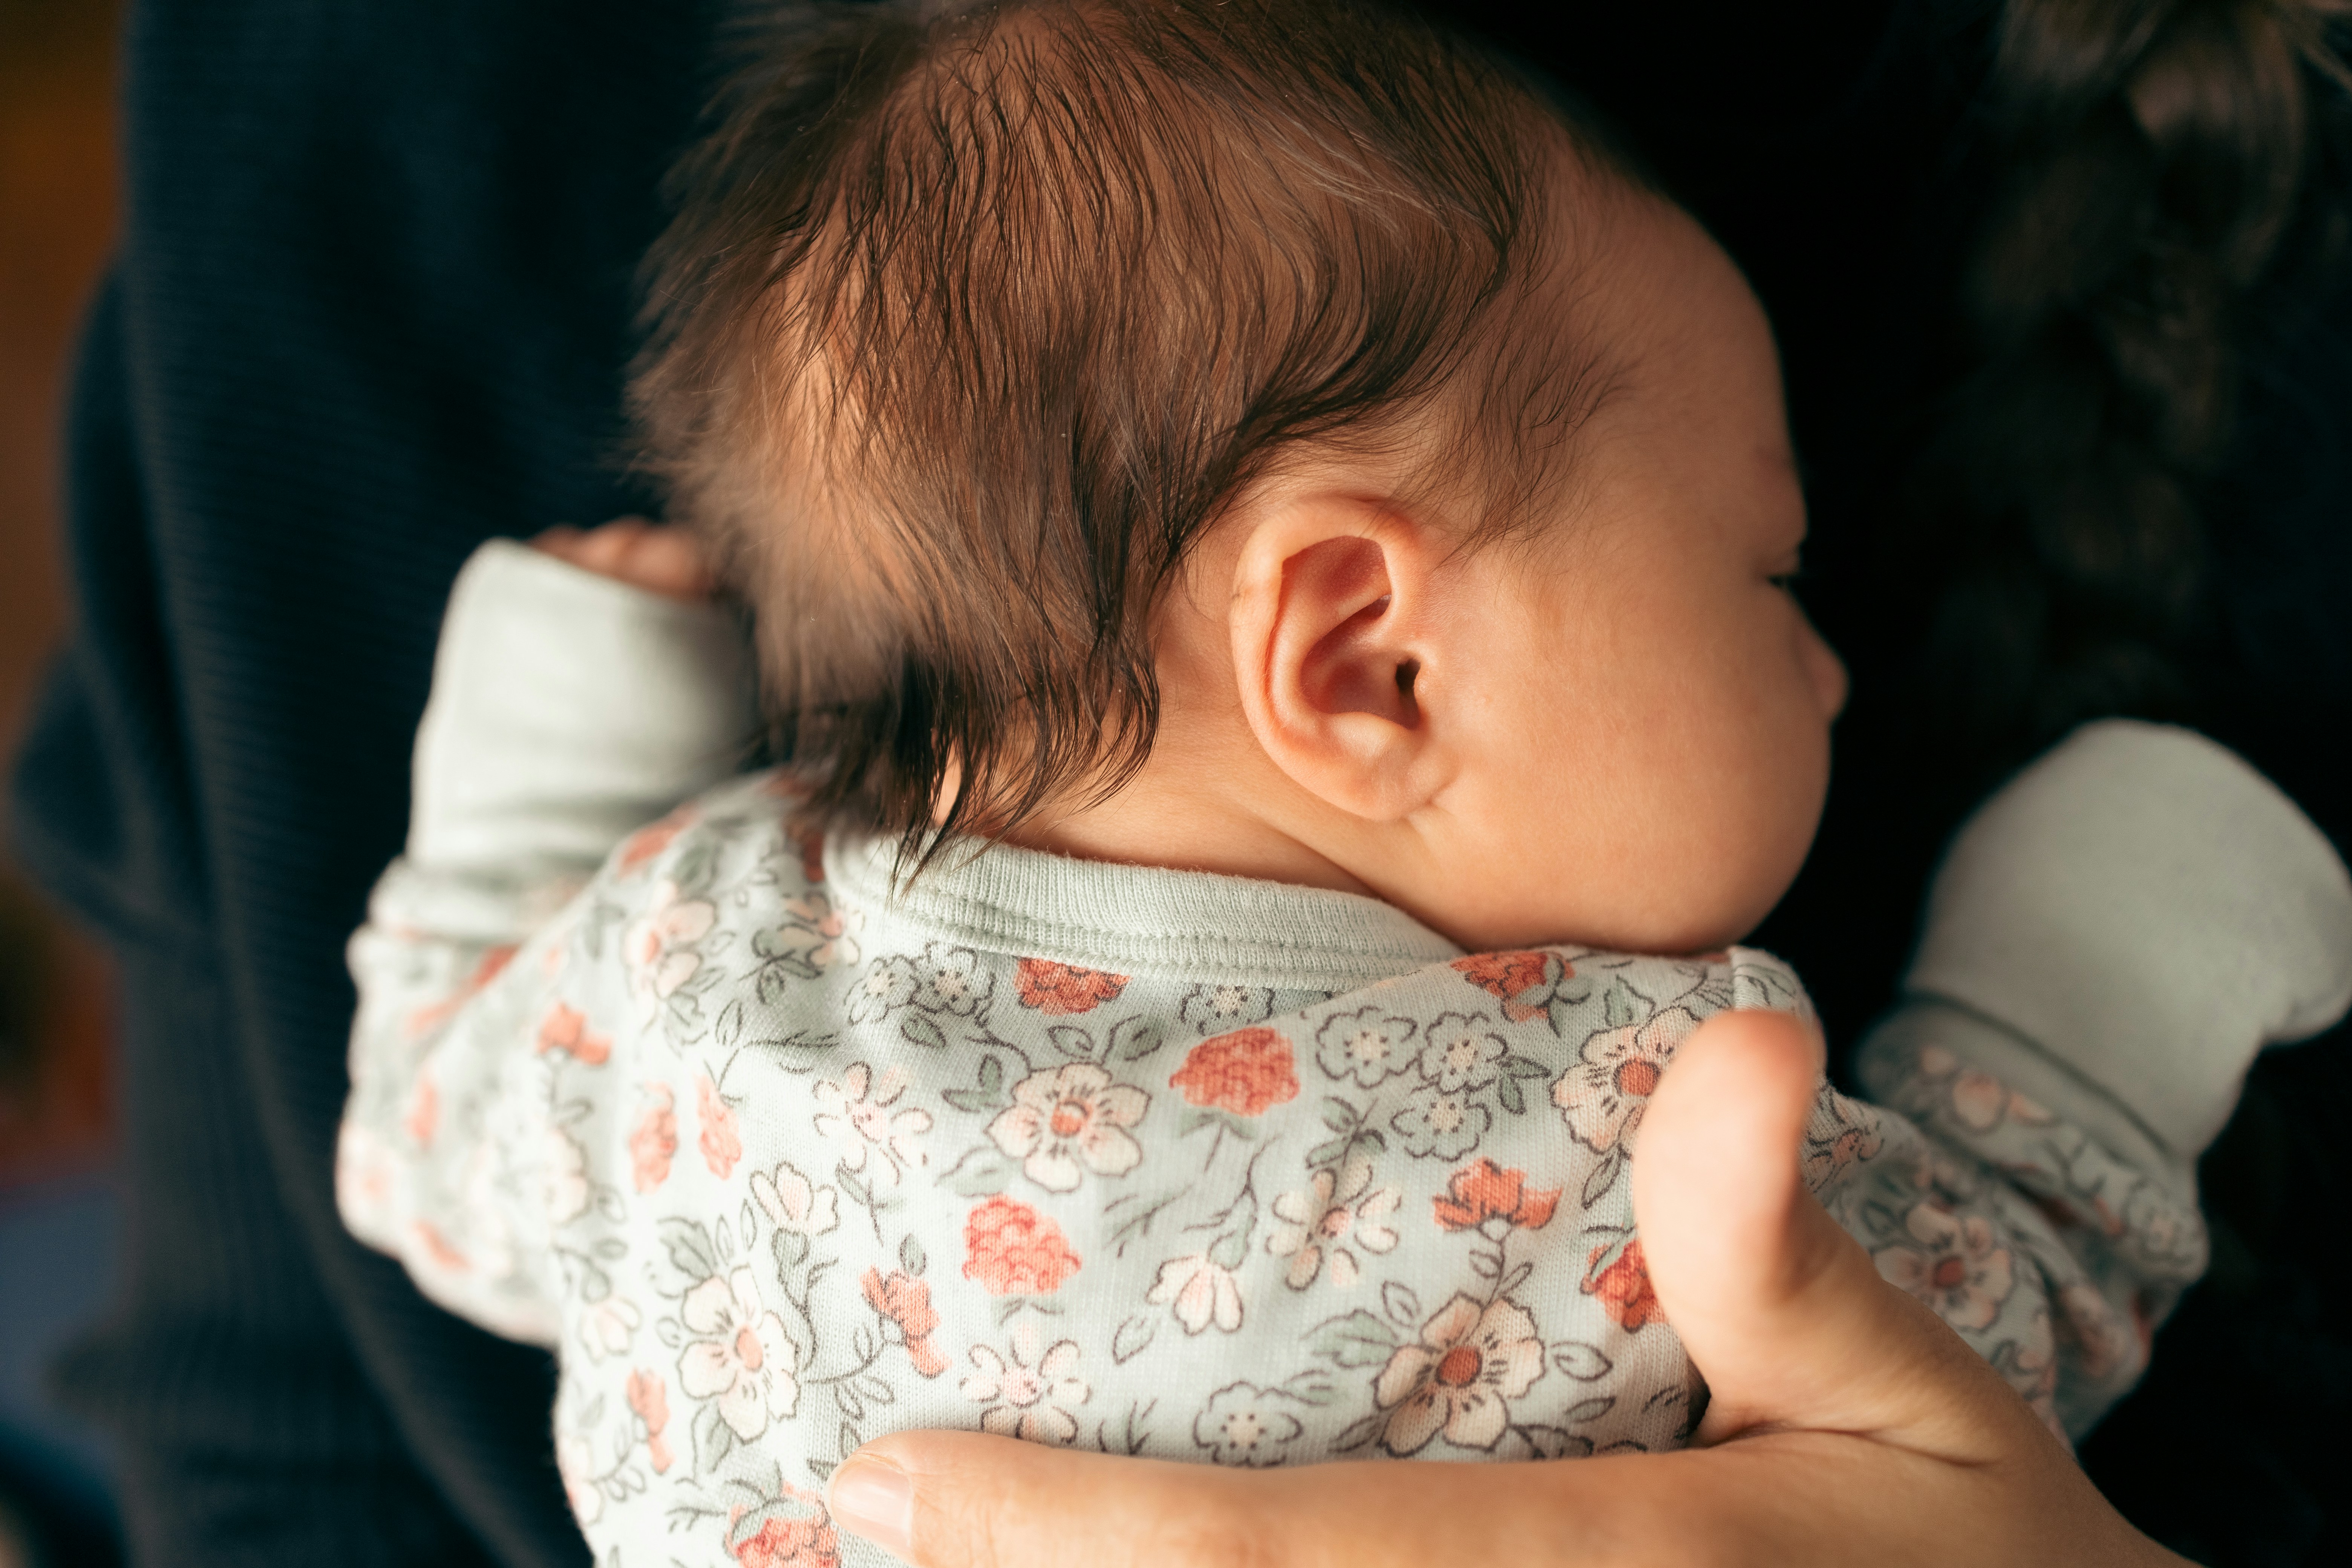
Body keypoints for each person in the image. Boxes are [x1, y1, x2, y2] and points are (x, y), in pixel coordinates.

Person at [12, 2, 2347, 1565]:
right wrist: (2104, 949)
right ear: (1366, 655)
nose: (1823, 664)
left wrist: (564, 715)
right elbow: (1985, 1311)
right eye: (1770, 571)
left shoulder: (699, 964)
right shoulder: (1562, 1131)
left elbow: (419, 1132)